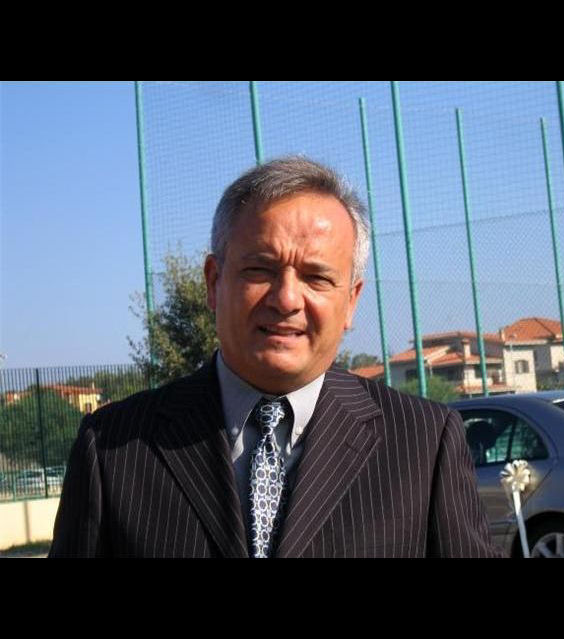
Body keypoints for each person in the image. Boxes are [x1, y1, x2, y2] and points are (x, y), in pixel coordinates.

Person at [49, 156, 504, 558]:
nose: (286, 299)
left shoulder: (424, 442)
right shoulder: (113, 447)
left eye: (316, 277)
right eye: (260, 269)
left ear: (351, 301)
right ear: (213, 282)